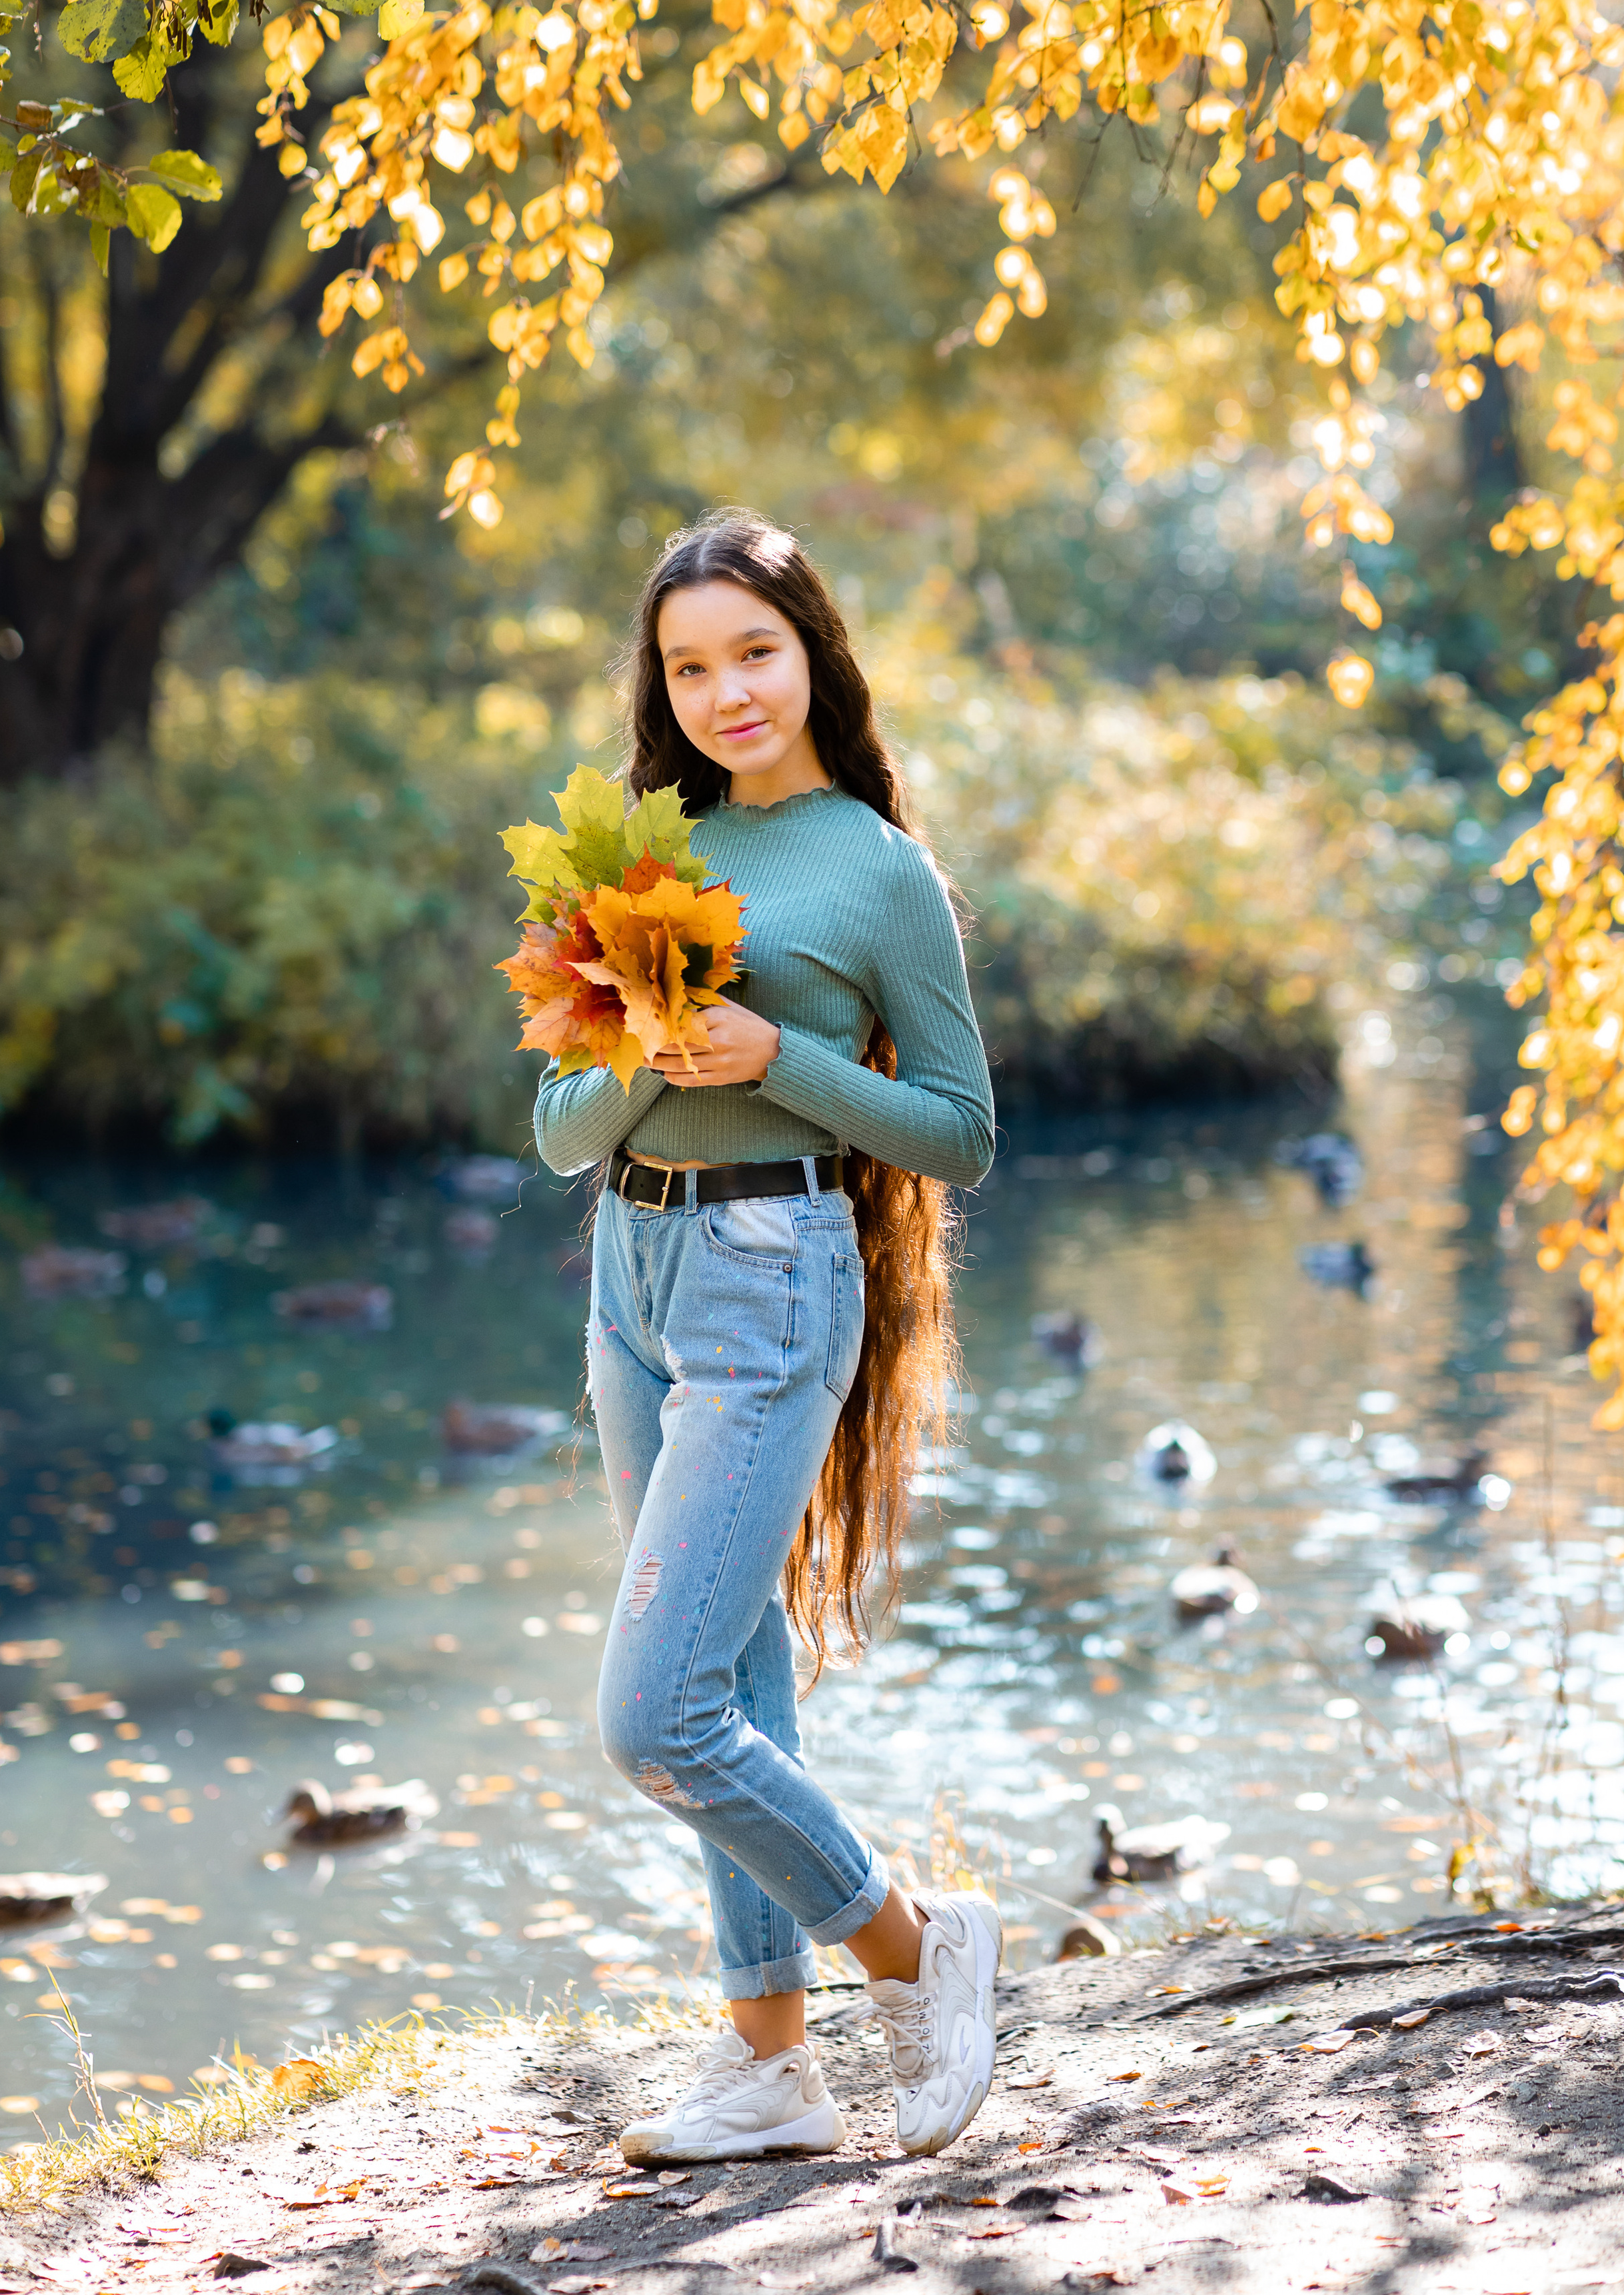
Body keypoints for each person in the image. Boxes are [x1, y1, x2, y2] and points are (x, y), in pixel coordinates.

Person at [532, 509, 1000, 2167]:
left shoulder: (874, 869)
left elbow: (958, 1133)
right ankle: (769, 2067)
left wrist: (769, 1058)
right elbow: (558, 1132)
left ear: (813, 657)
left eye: (754, 653)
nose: (727, 692)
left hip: (769, 1272)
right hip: (630, 1280)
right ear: (659, 689)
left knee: (652, 1715)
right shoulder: (638, 857)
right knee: (728, 1676)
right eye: (689, 667)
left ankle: (913, 1945)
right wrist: (650, 1035)